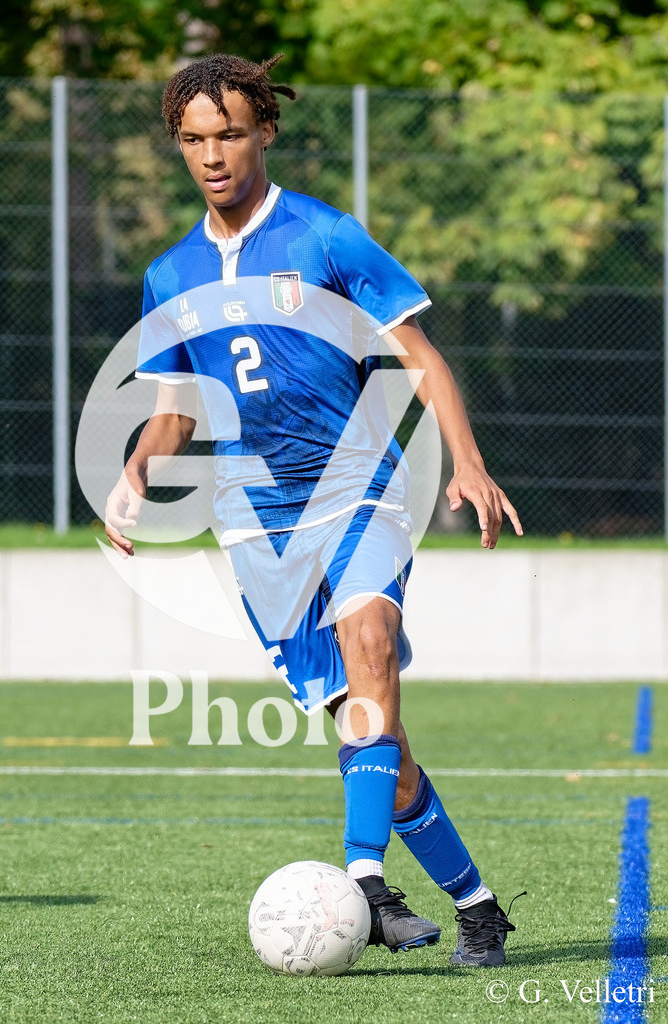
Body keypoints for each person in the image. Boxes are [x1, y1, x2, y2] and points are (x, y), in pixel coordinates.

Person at [105, 53, 524, 967]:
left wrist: (467, 461)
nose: (212, 154)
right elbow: (177, 411)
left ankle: (364, 881)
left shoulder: (324, 237)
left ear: (263, 133)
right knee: (374, 732)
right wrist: (135, 473)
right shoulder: (170, 275)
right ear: (178, 146)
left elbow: (416, 352)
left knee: (370, 645)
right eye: (193, 139)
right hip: (258, 524)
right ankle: (478, 906)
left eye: (228, 134)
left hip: (356, 488)